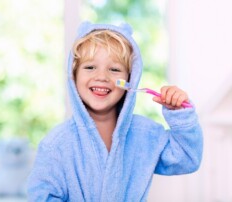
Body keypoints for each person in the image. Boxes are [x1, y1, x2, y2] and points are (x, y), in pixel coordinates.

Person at [27, 22, 203, 201]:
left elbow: (187, 159)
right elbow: (42, 196)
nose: (102, 77)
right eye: (90, 67)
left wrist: (180, 114)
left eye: (114, 69)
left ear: (130, 80)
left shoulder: (145, 135)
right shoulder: (57, 145)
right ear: (74, 75)